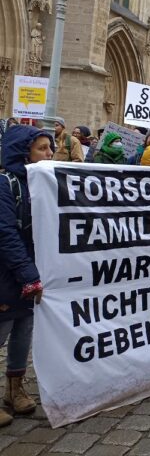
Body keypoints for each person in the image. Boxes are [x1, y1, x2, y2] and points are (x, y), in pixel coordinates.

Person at [0, 125, 52, 426]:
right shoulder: (5, 184)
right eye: (42, 148)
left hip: (30, 272)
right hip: (7, 273)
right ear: (24, 152)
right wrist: (26, 273)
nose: (48, 153)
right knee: (2, 331)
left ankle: (14, 390)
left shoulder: (41, 183)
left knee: (23, 332)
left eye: (50, 148)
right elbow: (5, 233)